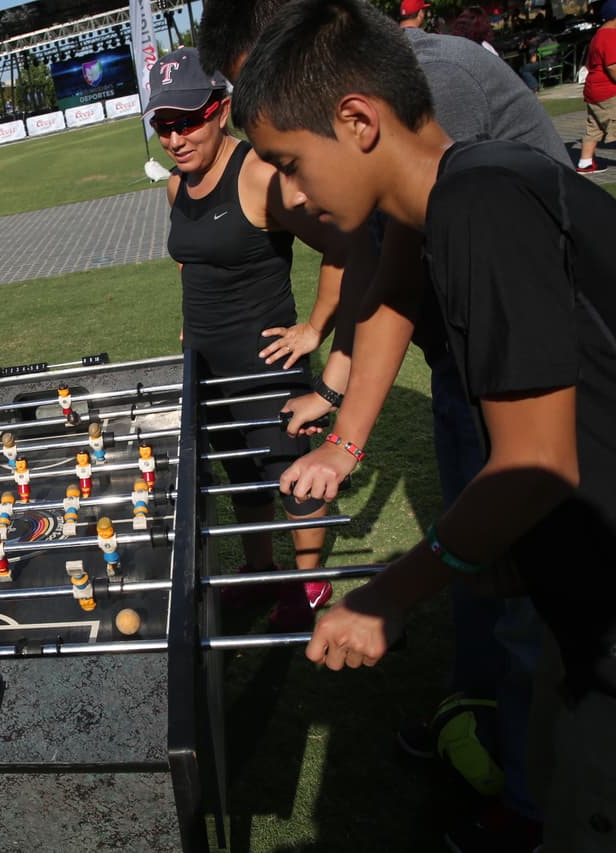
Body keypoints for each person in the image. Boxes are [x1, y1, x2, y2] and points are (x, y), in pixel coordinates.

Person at [231, 4, 616, 852]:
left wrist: (389, 593)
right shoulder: (444, 199)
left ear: (357, 120)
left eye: (290, 165)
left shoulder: (480, 204)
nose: (290, 198)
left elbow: (538, 462)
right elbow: (393, 298)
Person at [148, 47, 347, 630]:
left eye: (188, 120)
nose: (176, 138)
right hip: (206, 362)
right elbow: (191, 260)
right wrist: (192, 319)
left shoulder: (259, 176)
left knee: (296, 476)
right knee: (241, 470)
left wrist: (314, 328)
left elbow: (342, 247)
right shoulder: (174, 189)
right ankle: (263, 574)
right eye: (164, 125)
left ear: (222, 110)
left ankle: (308, 584)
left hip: (266, 362)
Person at [577, 0, 616, 173]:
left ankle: (585, 162)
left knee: (594, 128)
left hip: (594, 90)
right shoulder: (610, 35)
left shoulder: (598, 35)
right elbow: (613, 66)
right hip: (608, 91)